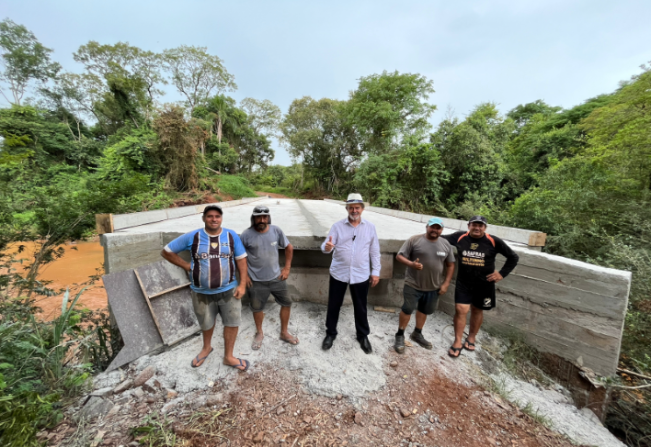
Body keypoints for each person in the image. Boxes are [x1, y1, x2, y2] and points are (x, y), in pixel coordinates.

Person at [161, 205, 250, 371]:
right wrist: (187, 266)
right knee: (206, 322)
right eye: (210, 216)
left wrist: (242, 284)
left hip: (229, 290)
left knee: (232, 322)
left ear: (221, 218)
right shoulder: (193, 237)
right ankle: (206, 348)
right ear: (204, 218)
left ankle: (229, 356)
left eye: (217, 216)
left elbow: (241, 261)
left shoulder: (231, 236)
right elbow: (166, 251)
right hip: (201, 292)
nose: (214, 219)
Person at [442, 215, 519, 358]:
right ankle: (458, 341)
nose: (477, 228)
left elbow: (513, 257)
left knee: (477, 310)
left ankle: (471, 337)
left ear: (485, 227)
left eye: (480, 225)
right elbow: (439, 238)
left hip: (484, 285)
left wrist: (501, 274)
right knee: (461, 309)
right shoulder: (459, 237)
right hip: (463, 282)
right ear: (468, 225)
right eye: (474, 225)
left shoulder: (493, 241)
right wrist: (422, 237)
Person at [321, 193, 381, 354]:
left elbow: (375, 252)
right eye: (351, 208)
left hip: (361, 274)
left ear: (362, 209)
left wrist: (375, 271)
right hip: (339, 273)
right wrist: (326, 248)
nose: (354, 210)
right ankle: (330, 333)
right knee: (334, 305)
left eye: (357, 207)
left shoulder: (370, 227)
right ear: (347, 209)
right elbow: (326, 245)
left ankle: (362, 336)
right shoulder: (338, 226)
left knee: (361, 307)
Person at [240, 205, 298, 350]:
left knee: (286, 303)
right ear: (253, 218)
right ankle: (259, 333)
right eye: (258, 217)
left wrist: (287, 268)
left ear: (268, 218)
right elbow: (240, 257)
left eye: (265, 217)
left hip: (276, 278)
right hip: (256, 280)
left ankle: (284, 332)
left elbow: (289, 247)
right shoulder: (246, 235)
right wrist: (245, 276)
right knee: (257, 308)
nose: (262, 220)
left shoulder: (276, 230)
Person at [394, 217, 455, 353]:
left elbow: (451, 265)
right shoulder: (414, 240)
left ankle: (417, 333)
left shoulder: (445, 244)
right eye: (432, 227)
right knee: (407, 308)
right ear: (427, 227)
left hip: (433, 286)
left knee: (424, 310)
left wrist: (446, 284)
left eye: (438, 228)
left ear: (441, 230)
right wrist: (411, 264)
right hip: (413, 284)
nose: (434, 230)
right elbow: (399, 256)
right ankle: (399, 335)